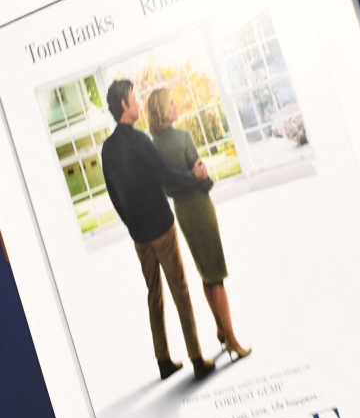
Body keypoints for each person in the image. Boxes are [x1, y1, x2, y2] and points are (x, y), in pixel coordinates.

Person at [101, 80, 216, 381]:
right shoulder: (140, 141)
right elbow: (167, 176)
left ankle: (163, 360)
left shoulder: (108, 149)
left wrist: (131, 225)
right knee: (180, 292)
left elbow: (114, 195)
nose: (138, 103)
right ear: (124, 105)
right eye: (133, 99)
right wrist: (195, 177)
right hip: (161, 230)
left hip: (139, 236)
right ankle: (197, 359)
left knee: (154, 295)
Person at [146, 88, 251, 362]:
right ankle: (232, 340)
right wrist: (202, 178)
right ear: (161, 110)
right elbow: (201, 175)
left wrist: (195, 175)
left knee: (206, 273)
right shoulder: (183, 137)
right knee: (216, 274)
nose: (175, 105)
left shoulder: (153, 147)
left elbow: (167, 188)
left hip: (183, 212)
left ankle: (220, 328)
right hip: (201, 209)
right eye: (170, 103)